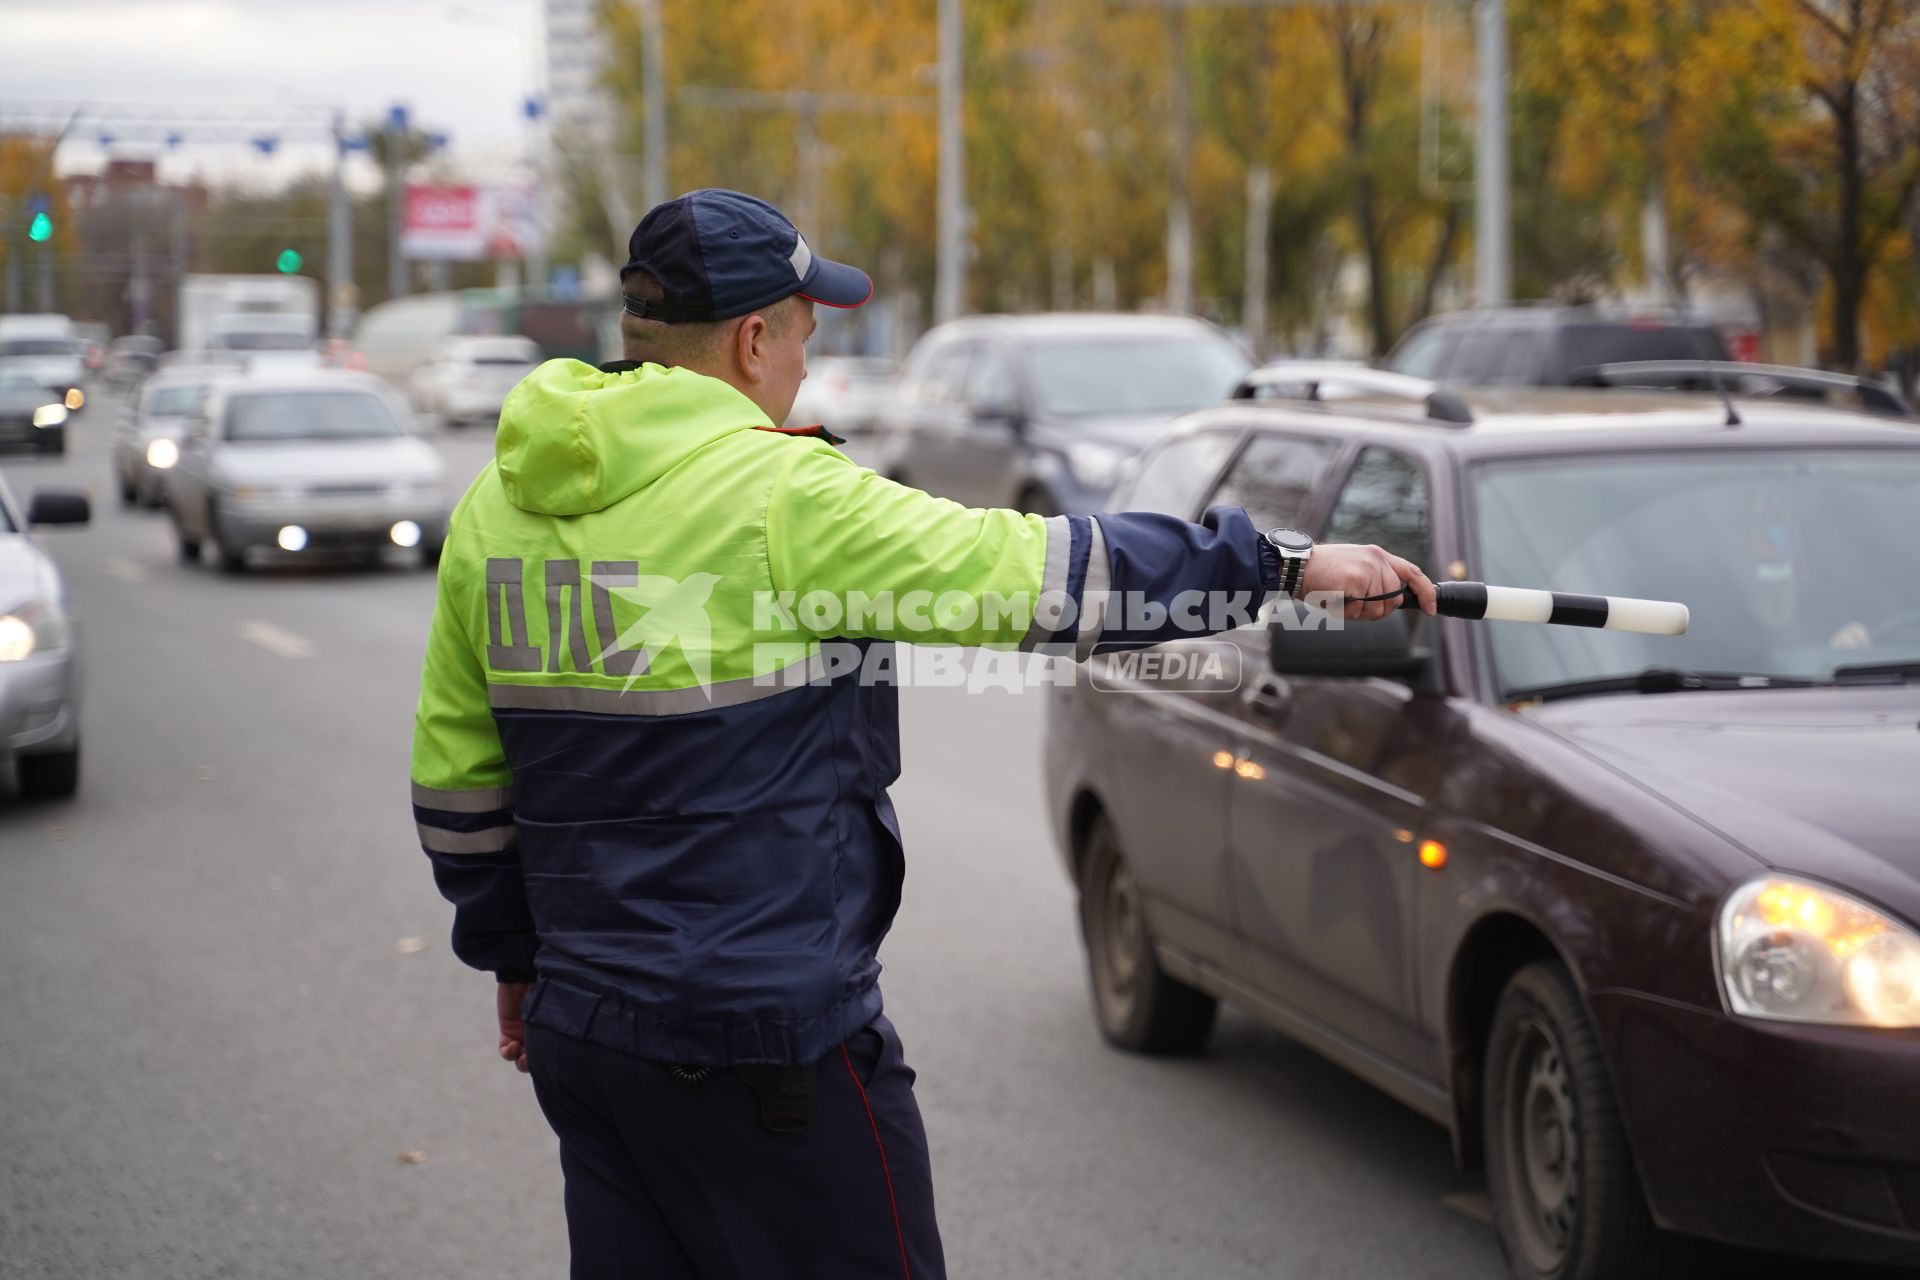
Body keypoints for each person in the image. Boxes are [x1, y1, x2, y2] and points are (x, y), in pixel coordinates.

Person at [410, 188, 1436, 1280]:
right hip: (766, 1047)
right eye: (806, 333)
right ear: (754, 338)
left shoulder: (498, 507)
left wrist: (517, 956)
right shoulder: (778, 495)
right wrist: (1274, 565)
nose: (806, 363)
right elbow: (1038, 576)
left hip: (588, 1040)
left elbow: (458, 784)